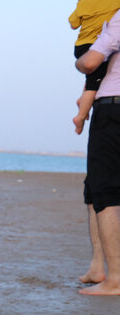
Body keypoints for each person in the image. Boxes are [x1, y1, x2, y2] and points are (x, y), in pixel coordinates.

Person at [76, 8, 120, 295]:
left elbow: (91, 62)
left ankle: (114, 279)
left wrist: (80, 61)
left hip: (113, 110)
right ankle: (97, 266)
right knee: (95, 187)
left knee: (104, 192)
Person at [69, 0, 119, 135]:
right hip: (96, 45)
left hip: (80, 46)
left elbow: (73, 24)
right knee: (94, 84)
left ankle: (83, 99)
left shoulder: (83, 2)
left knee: (95, 77)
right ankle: (80, 117)